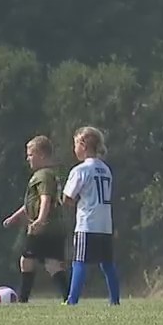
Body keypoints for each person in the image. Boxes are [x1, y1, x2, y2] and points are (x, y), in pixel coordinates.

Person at [3, 136, 70, 303]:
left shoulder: (43, 175)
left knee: (27, 260)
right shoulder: (50, 174)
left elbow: (45, 198)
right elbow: (31, 203)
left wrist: (40, 220)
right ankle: (68, 297)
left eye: (31, 154)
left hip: (43, 227)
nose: (28, 159)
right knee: (52, 263)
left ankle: (23, 298)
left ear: (41, 155)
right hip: (55, 226)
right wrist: (14, 218)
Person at [62, 126, 121, 306]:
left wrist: (72, 203)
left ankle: (72, 300)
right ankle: (115, 300)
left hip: (87, 223)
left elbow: (67, 198)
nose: (74, 150)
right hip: (105, 224)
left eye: (76, 145)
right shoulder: (105, 169)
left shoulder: (80, 170)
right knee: (107, 264)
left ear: (84, 145)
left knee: (79, 262)